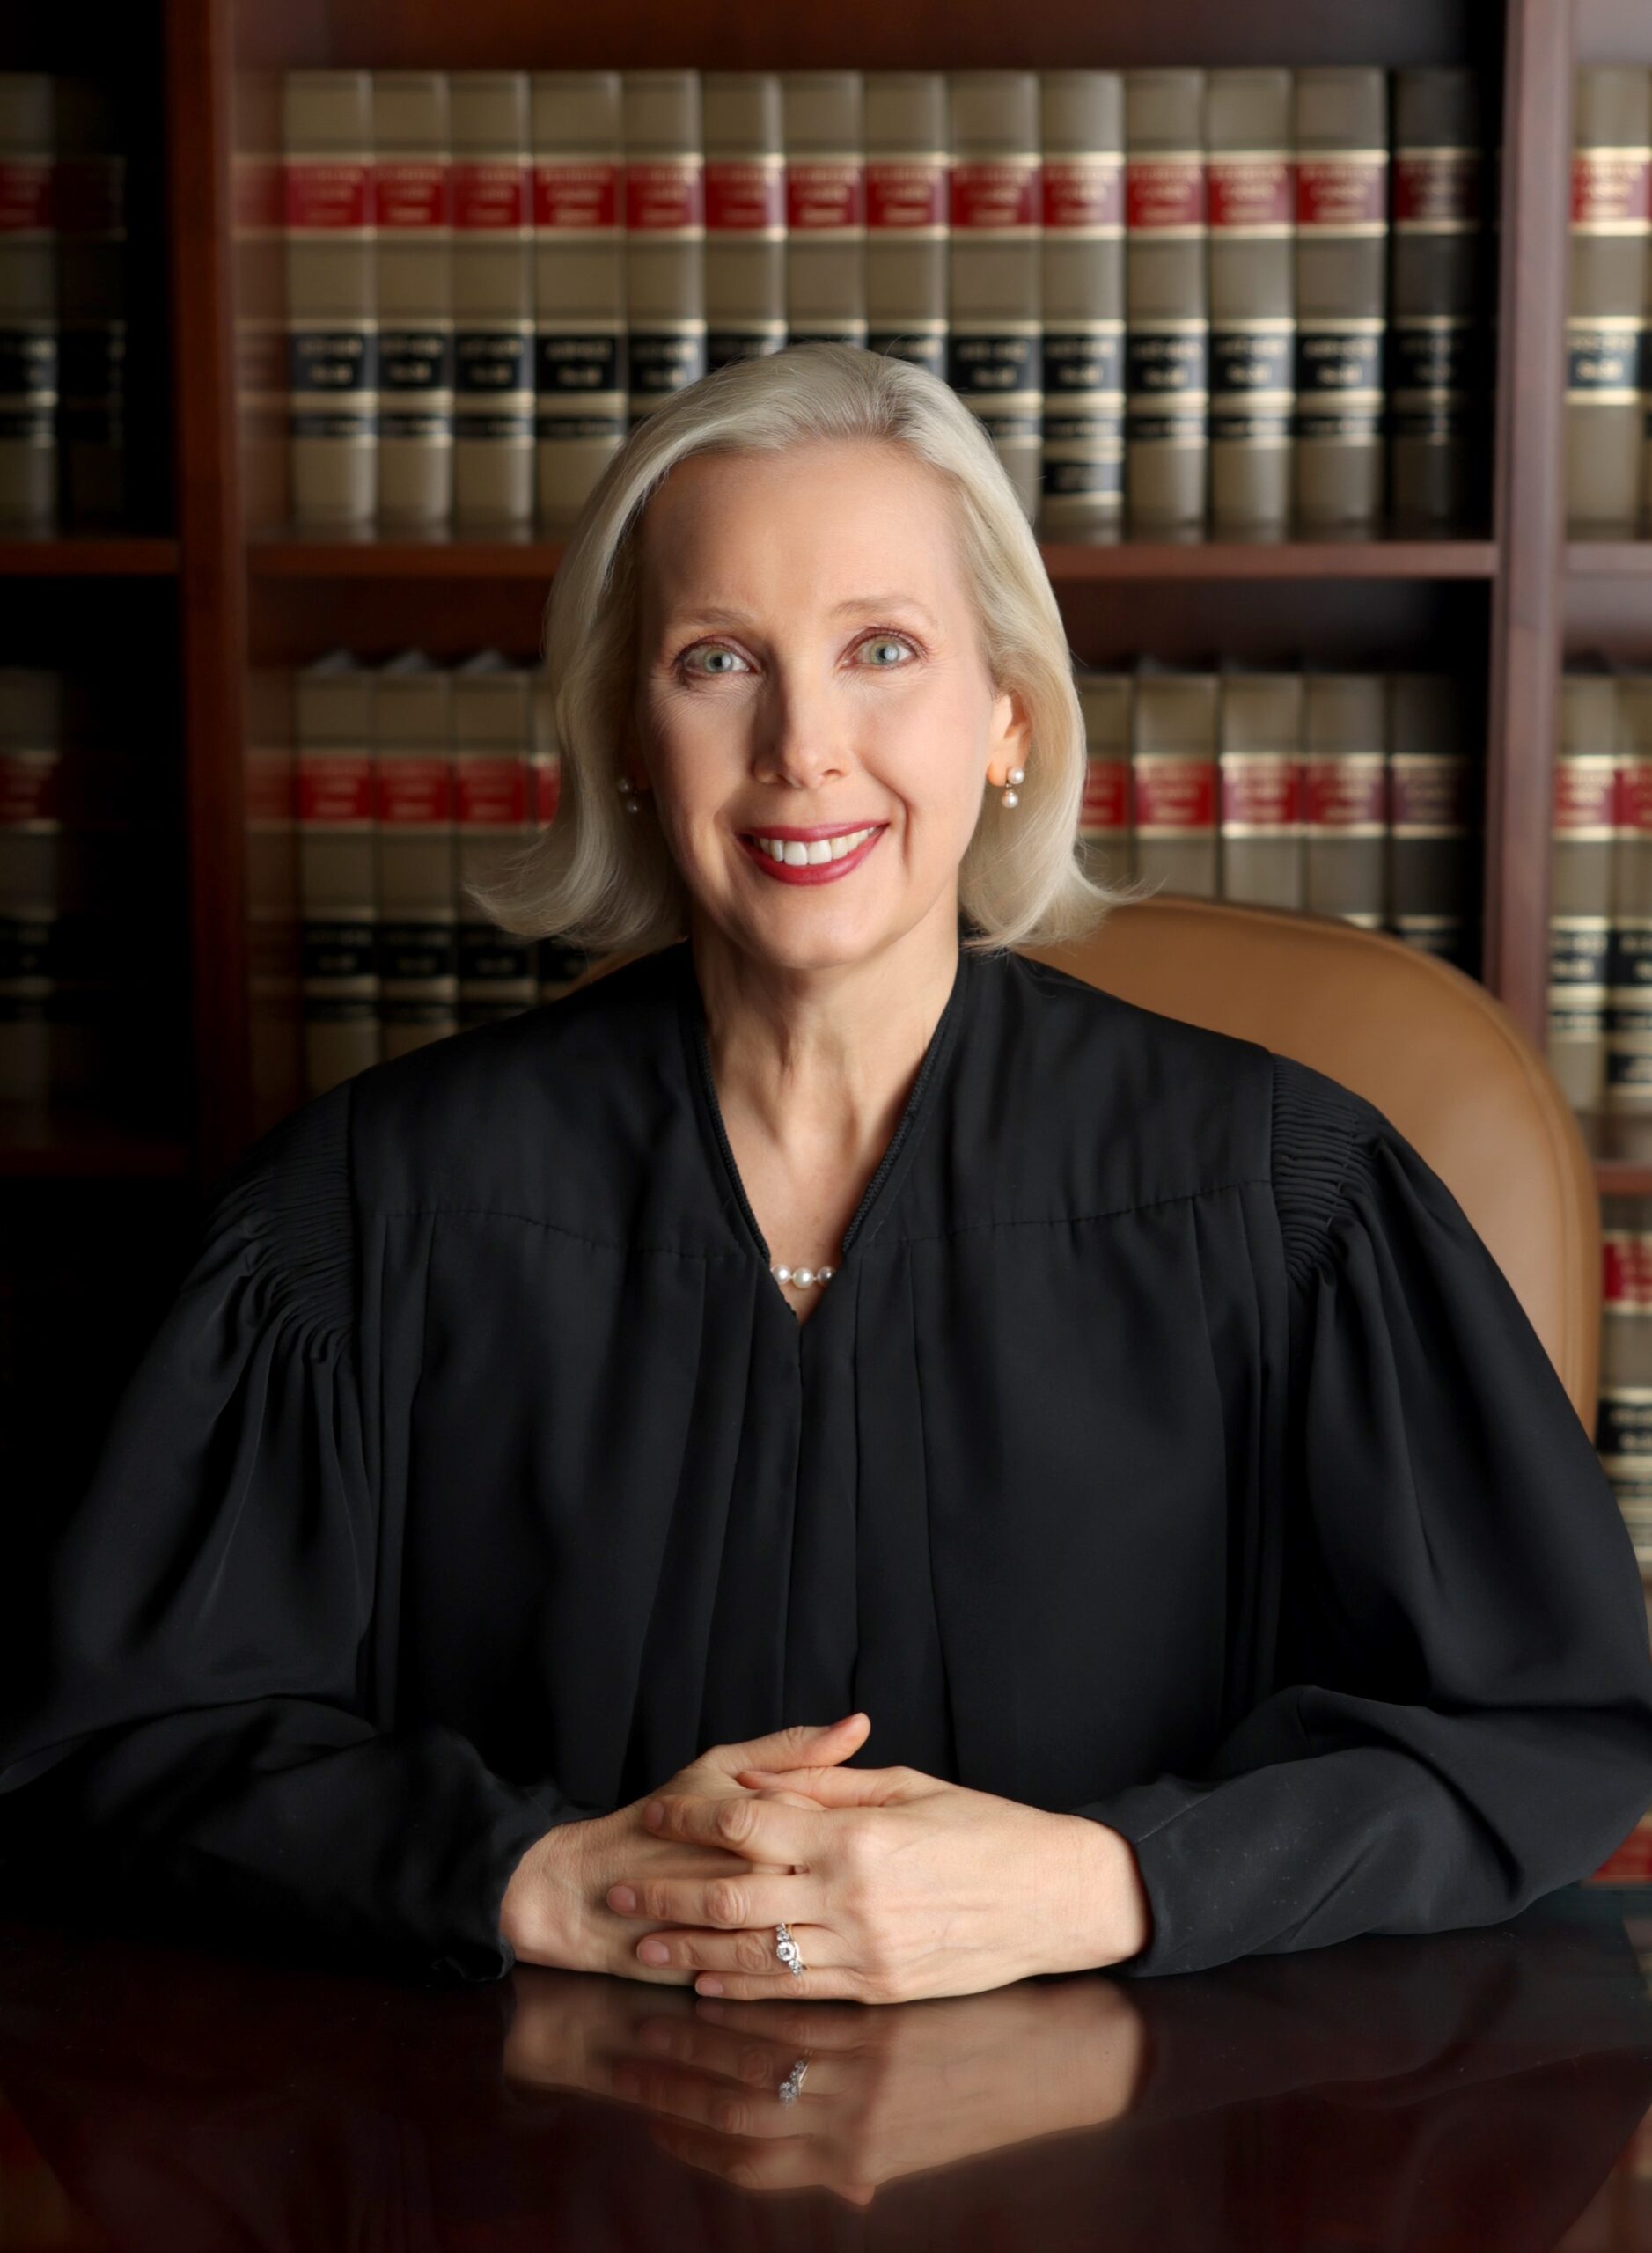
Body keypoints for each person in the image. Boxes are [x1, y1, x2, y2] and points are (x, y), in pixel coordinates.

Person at [4, 342, 1651, 2004]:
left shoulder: (1287, 1200)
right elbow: (119, 1745)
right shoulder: (366, 1217)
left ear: (1006, 716)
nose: (802, 746)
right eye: (718, 660)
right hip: (530, 2128)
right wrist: (529, 1879)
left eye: (883, 650)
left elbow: (1542, 1735)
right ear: (628, 735)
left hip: (1143, 2132)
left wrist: (1104, 1884)